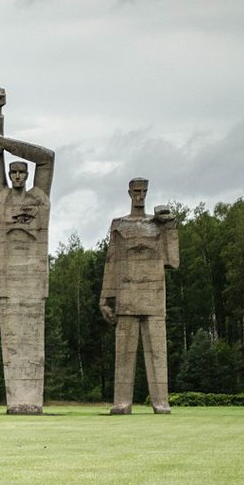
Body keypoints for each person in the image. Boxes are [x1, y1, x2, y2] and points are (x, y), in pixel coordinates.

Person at [0, 87, 54, 415]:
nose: (15, 176)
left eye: (21, 172)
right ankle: (17, 403)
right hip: (9, 283)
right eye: (12, 172)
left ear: (27, 173)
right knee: (12, 347)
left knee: (33, 348)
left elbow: (47, 157)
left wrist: (7, 142)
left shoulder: (39, 198)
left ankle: (32, 402)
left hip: (34, 282)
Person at [101, 177, 180, 414]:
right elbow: (111, 263)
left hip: (154, 297)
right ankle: (122, 402)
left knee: (157, 353)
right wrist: (105, 298)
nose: (140, 196)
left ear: (147, 192)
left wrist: (170, 226)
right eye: (136, 191)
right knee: (124, 355)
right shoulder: (119, 225)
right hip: (126, 295)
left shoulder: (158, 225)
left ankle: (161, 402)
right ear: (129, 193)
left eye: (143, 191)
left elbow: (173, 261)